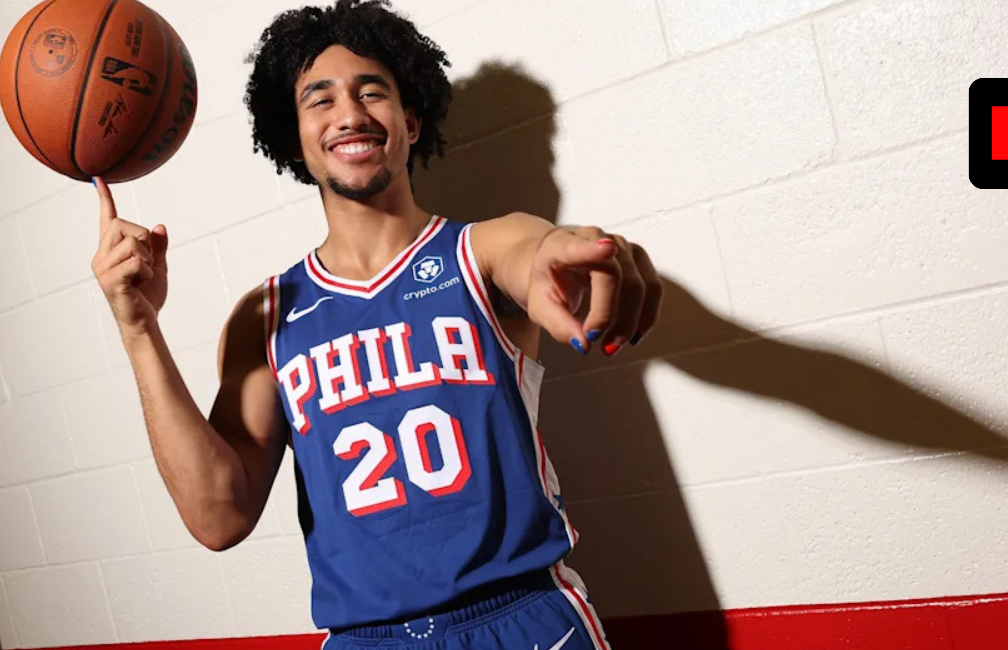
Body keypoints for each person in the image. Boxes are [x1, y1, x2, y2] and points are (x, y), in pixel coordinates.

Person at [89, 1, 661, 648]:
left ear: (410, 121)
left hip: (524, 619)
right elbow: (217, 516)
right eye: (320, 100)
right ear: (297, 138)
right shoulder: (267, 316)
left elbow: (543, 255)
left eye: (372, 93)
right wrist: (137, 326)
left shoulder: (484, 251)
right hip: (366, 638)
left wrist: (589, 256)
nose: (350, 114)